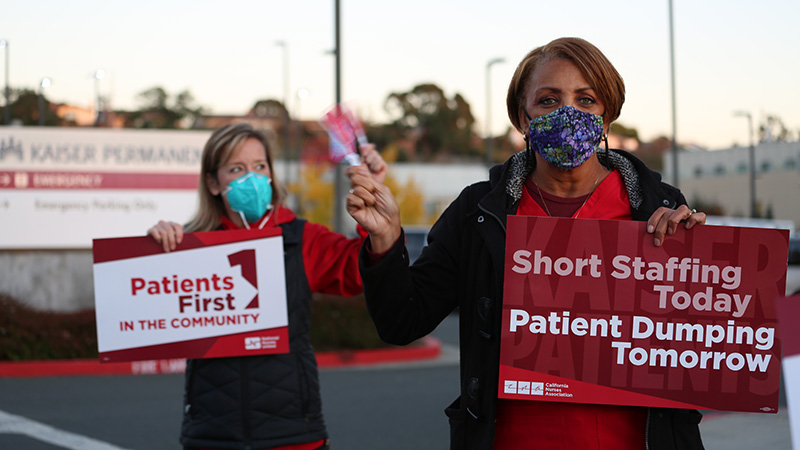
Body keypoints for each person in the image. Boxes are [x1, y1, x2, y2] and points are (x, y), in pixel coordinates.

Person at [346, 37, 707, 450]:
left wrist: (700, 262)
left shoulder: (658, 210)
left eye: (586, 100)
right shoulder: (477, 213)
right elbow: (401, 321)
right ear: (523, 117)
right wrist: (386, 239)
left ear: (607, 119)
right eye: (549, 101)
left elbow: (703, 351)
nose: (569, 113)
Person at [147, 122, 387, 450]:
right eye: (237, 168)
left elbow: (362, 270)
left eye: (260, 166)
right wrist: (156, 249)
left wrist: (374, 213)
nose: (252, 177)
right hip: (212, 437)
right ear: (213, 183)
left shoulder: (302, 239)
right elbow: (150, 312)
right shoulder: (191, 248)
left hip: (293, 436)